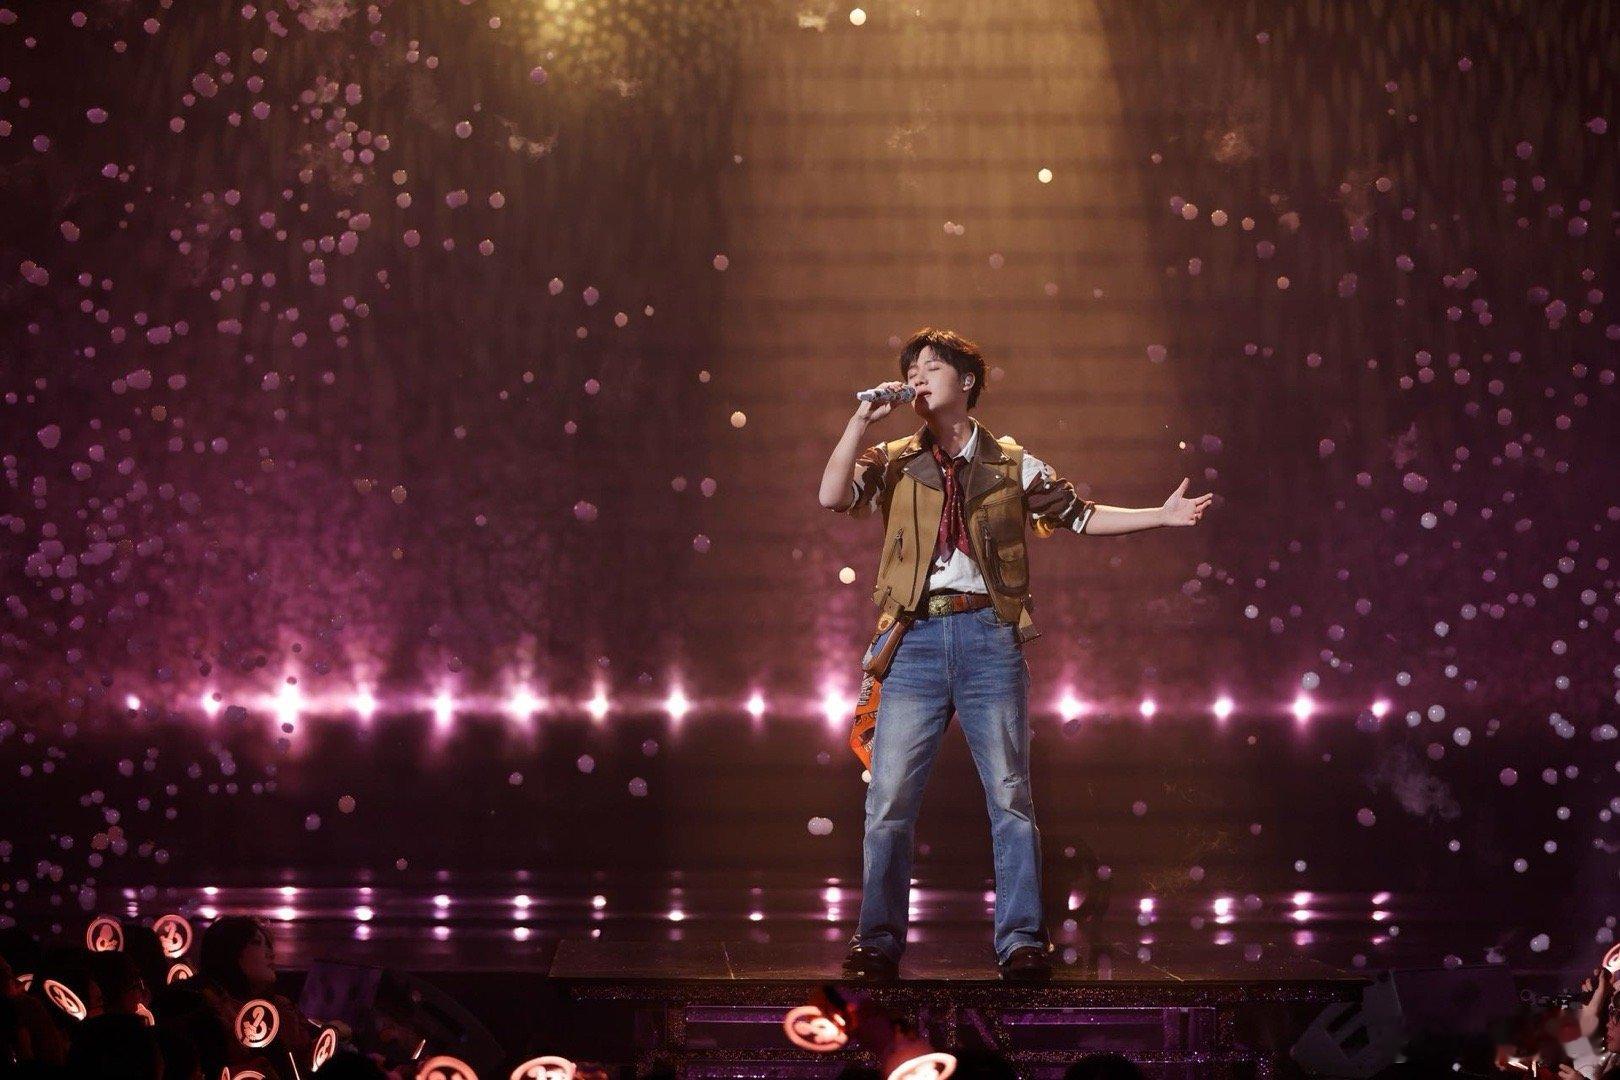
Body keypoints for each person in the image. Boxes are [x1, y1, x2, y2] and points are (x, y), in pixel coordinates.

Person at [819, 328, 1212, 982]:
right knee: (888, 801)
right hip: (914, 640)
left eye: (930, 368)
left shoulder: (1011, 463)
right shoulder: (891, 459)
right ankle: (877, 942)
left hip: (988, 639)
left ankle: (1023, 941)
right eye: (910, 370)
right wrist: (860, 419)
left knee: (1010, 796)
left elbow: (1081, 515)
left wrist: (1161, 516)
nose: (917, 379)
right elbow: (833, 497)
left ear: (967, 381)